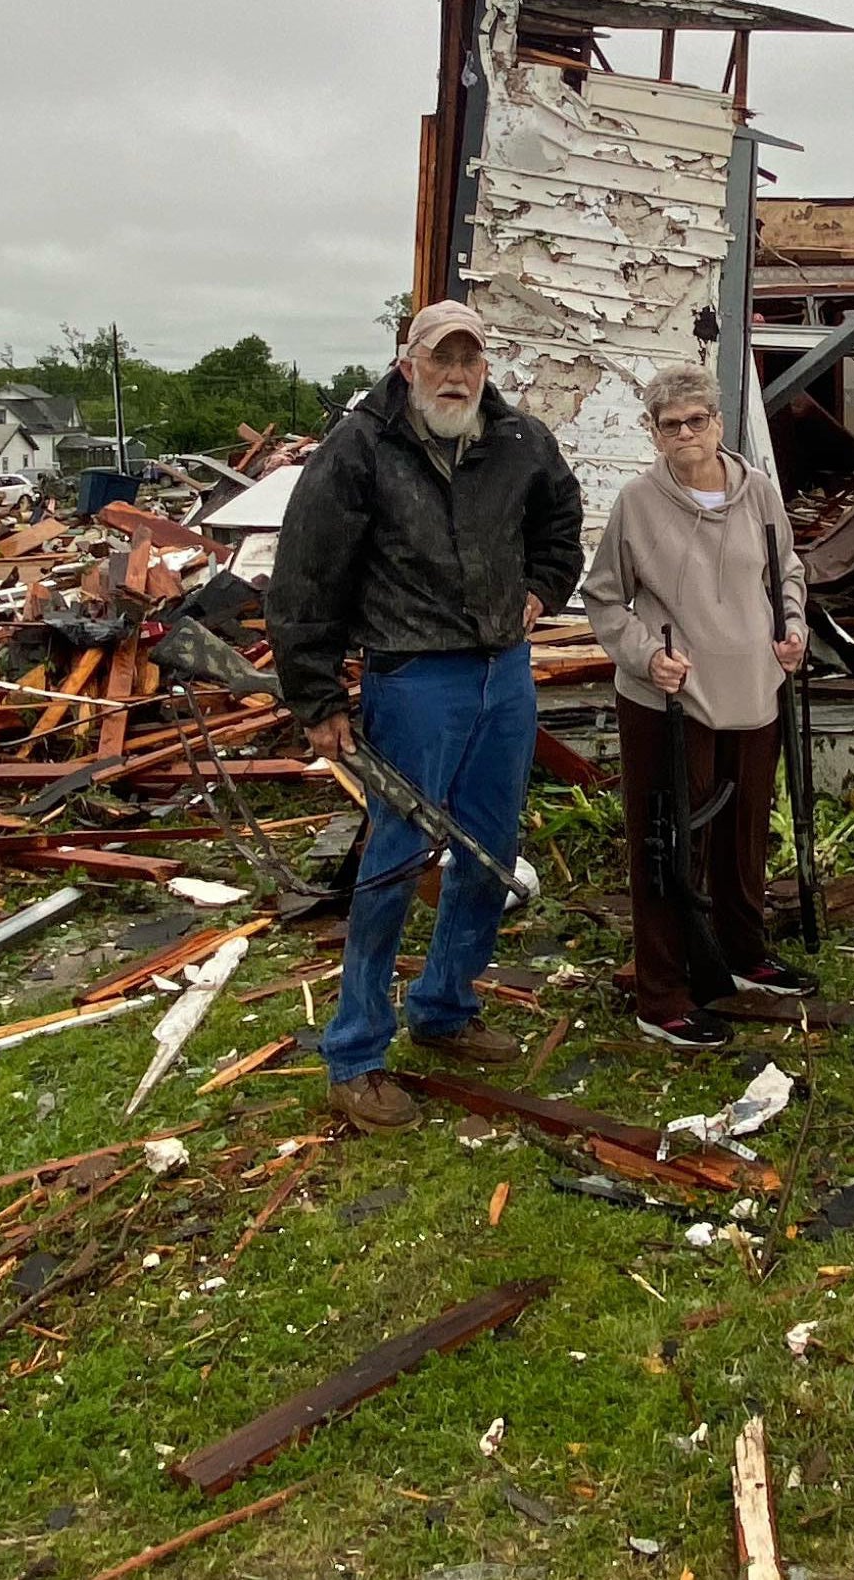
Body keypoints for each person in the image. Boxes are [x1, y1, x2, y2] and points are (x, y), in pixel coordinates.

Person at [267, 299, 584, 1133]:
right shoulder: (360, 449)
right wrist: (317, 699)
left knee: (490, 848)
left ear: (485, 367)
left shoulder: (520, 442)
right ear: (407, 364)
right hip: (413, 681)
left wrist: (543, 588)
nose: (455, 374)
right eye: (440, 359)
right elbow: (304, 577)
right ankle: (357, 1053)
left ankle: (444, 1007)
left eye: (469, 359)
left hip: (503, 676)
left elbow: (562, 522)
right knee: (394, 861)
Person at [580, 366, 813, 1050]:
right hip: (668, 699)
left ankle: (744, 955)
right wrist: (646, 654)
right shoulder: (637, 503)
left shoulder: (759, 493)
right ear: (652, 433)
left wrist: (793, 628)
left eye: (697, 420)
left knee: (743, 834)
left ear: (719, 423)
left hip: (755, 686)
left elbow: (786, 571)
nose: (686, 434)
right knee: (666, 847)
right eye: (670, 424)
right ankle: (662, 993)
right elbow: (603, 597)